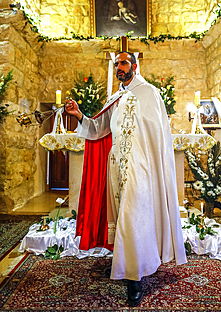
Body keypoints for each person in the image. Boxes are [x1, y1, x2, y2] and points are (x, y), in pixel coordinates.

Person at [65, 52, 186, 307]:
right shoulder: (115, 98)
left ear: (135, 65)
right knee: (124, 217)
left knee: (133, 216)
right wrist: (79, 115)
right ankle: (130, 263)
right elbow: (99, 130)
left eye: (124, 63)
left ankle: (134, 278)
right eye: (116, 64)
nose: (119, 67)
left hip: (141, 167)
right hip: (116, 167)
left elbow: (158, 137)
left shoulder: (149, 93)